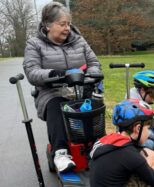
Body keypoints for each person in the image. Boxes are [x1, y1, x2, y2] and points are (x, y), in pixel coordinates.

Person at [23, 2, 102, 173]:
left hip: (81, 87)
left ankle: (96, 145)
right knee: (58, 106)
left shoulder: (79, 41)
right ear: (48, 25)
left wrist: (89, 77)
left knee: (93, 103)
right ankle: (60, 153)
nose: (67, 28)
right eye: (62, 24)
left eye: (68, 24)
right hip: (52, 91)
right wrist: (56, 74)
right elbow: (32, 72)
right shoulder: (34, 44)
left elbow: (94, 63)